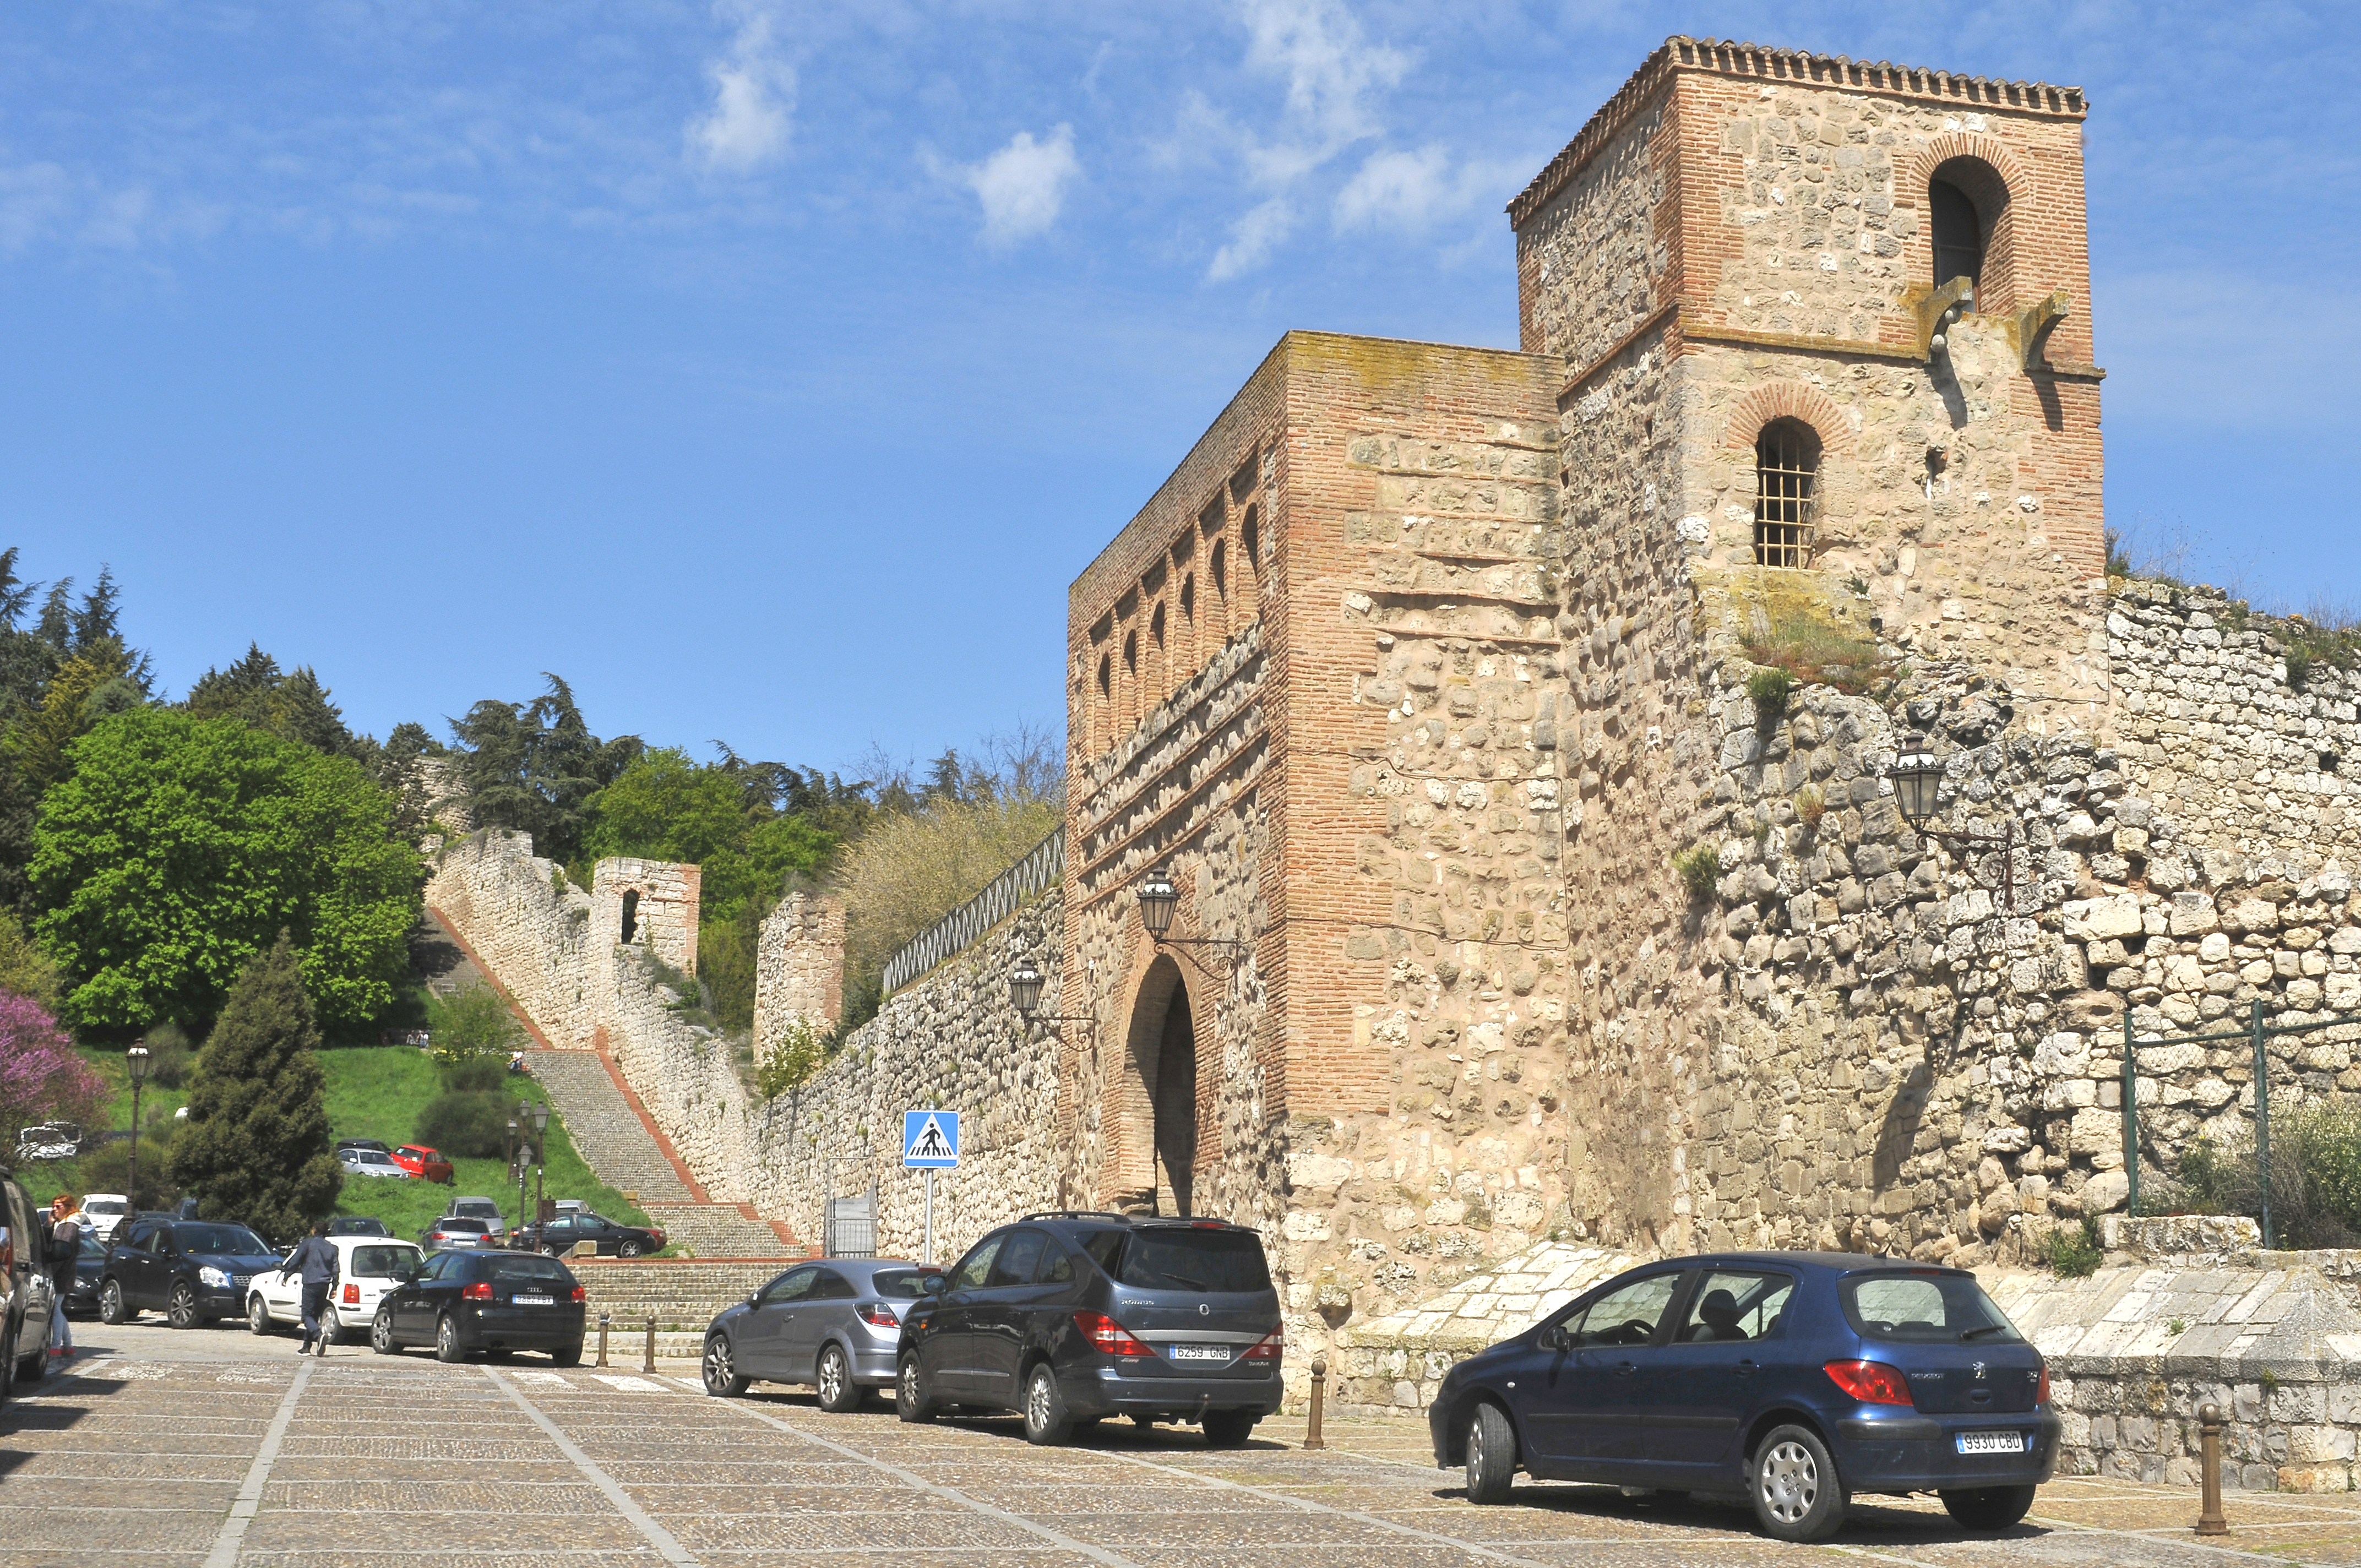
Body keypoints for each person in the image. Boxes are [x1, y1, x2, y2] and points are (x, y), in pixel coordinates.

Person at [286, 1221, 339, 1357]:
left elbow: (296, 1260)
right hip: (324, 1284)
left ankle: (318, 1335)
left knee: (306, 1316)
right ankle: (306, 1347)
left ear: (314, 1230)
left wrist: (287, 1274)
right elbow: (336, 1269)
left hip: (311, 1282)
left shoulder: (307, 1244)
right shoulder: (333, 1248)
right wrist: (335, 1286)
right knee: (314, 1315)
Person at [46, 1195, 77, 1358]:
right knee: (57, 1308)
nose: (55, 1209)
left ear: (68, 1207)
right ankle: (67, 1345)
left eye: (59, 1206)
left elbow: (61, 1250)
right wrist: (50, 1225)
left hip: (61, 1273)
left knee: (55, 1309)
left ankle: (56, 1345)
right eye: (54, 1206)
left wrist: (50, 1270)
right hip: (61, 1272)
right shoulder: (62, 1224)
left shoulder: (70, 1225)